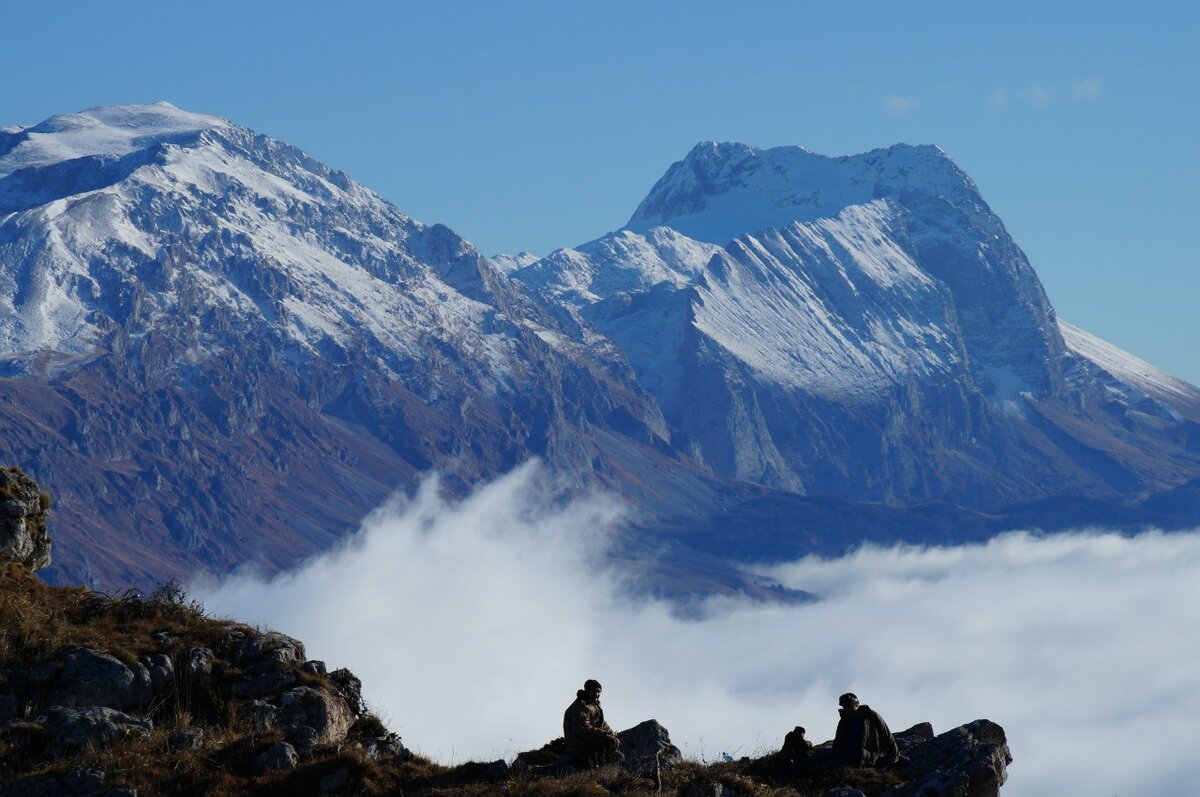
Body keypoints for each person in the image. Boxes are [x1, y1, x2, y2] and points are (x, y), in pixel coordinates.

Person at [563, 679, 623, 769]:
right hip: (578, 746)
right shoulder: (580, 706)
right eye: (593, 691)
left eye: (599, 691)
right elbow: (583, 729)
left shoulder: (593, 704)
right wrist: (605, 735)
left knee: (614, 742)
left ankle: (601, 763)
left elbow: (601, 722)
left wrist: (611, 733)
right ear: (587, 691)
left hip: (588, 740)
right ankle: (595, 766)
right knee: (608, 742)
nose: (596, 694)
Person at [830, 692, 899, 767]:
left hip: (865, 755)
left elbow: (886, 735)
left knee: (829, 764)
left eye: (849, 706)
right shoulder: (844, 720)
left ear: (856, 704)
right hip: (846, 752)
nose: (847, 708)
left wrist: (894, 755)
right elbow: (838, 740)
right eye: (844, 706)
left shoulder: (870, 715)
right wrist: (834, 752)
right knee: (820, 755)